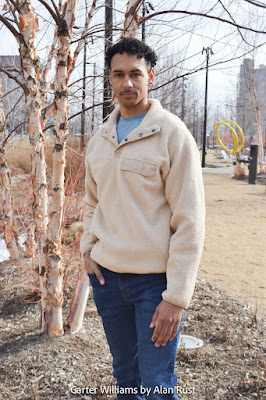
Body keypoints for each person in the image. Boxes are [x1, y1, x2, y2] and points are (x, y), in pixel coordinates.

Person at [80, 38, 205, 400]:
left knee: (156, 386)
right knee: (127, 380)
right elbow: (91, 203)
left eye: (135, 74)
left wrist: (177, 297)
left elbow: (190, 220)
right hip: (107, 280)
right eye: (119, 75)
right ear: (110, 80)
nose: (127, 83)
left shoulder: (172, 135)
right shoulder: (100, 139)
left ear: (150, 76)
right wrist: (88, 251)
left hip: (155, 285)